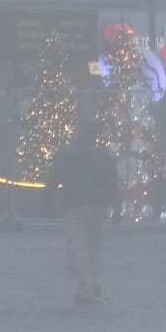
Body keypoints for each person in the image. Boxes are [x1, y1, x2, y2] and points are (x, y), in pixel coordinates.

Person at [49, 126, 118, 306]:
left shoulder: (67, 155)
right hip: (98, 206)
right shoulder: (104, 157)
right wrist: (117, 206)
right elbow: (113, 182)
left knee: (78, 248)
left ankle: (86, 287)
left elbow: (54, 178)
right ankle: (90, 284)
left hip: (74, 205)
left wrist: (49, 198)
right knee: (93, 247)